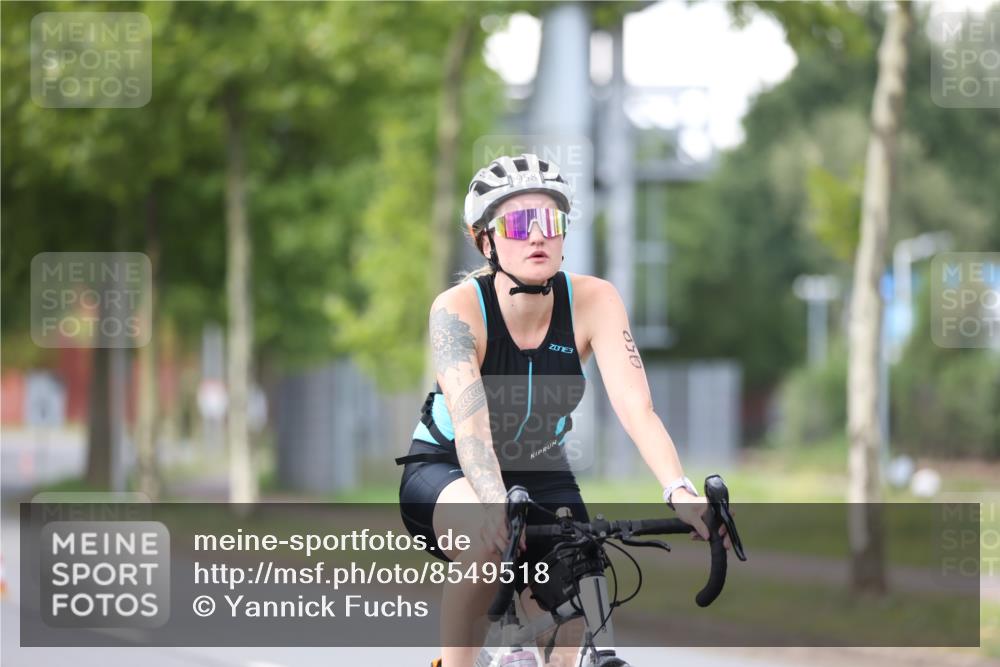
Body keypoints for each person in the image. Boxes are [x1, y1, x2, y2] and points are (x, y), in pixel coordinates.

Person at [397, 153, 729, 667]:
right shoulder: (457, 309)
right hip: (449, 467)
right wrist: (492, 504)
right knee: (489, 551)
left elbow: (637, 407)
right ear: (486, 239)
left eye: (550, 221)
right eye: (518, 223)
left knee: (579, 584)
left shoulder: (595, 300)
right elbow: (472, 428)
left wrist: (678, 489)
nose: (537, 236)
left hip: (541, 466)